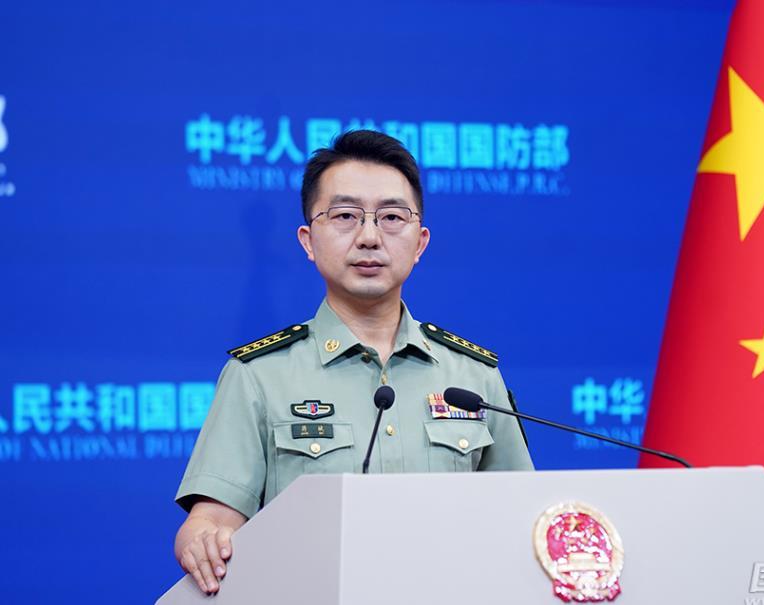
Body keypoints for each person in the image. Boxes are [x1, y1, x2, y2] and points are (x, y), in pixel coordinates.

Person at [172, 130, 534, 594]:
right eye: (345, 216)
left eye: (391, 217)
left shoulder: (474, 377)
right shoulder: (258, 376)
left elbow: (523, 518)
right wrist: (203, 537)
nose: (369, 237)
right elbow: (214, 518)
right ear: (308, 240)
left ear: (420, 243)